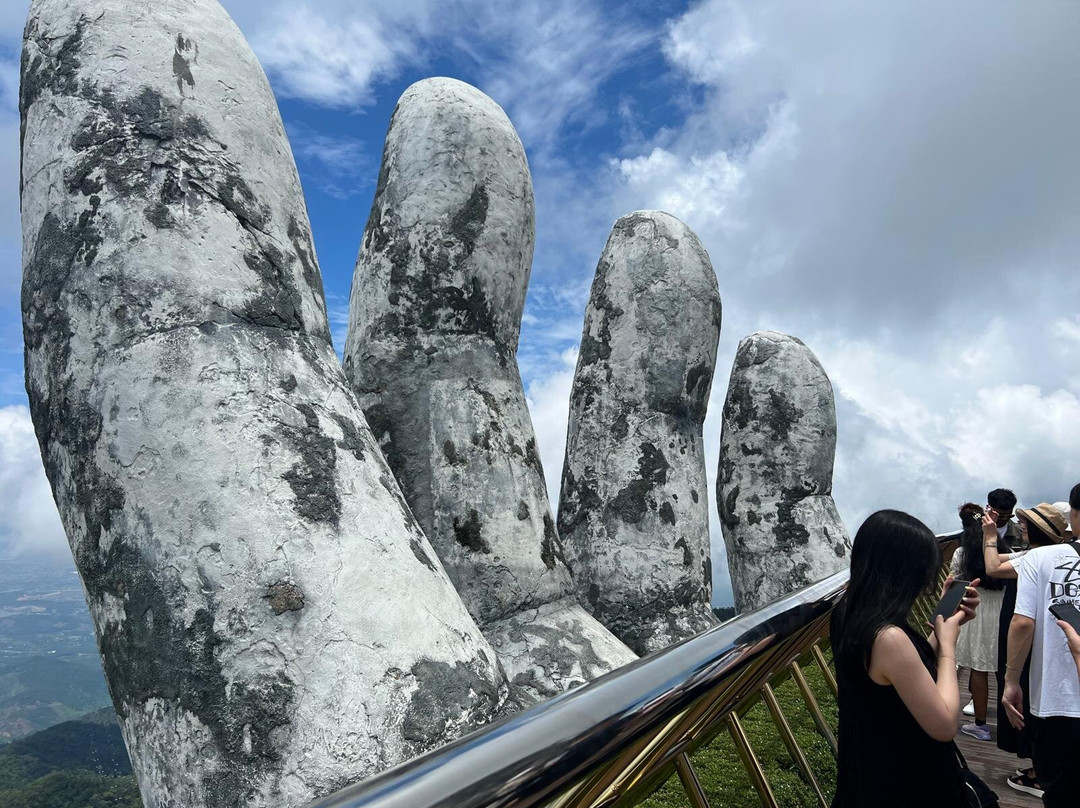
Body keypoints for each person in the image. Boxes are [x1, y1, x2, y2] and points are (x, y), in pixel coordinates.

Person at [831, 510, 979, 808]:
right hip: (910, 784)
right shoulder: (889, 637)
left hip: (870, 776)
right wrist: (948, 646)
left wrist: (943, 620)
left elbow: (905, 674)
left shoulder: (846, 611)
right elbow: (944, 724)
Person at [996, 495, 1079, 808]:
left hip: (1056, 701)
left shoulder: (1041, 558)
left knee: (1059, 791)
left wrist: (1011, 680)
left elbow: (1022, 624)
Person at [981, 502, 1063, 798]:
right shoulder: (1056, 556)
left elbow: (993, 567)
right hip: (1056, 641)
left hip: (1034, 641)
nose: (1021, 524)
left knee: (1034, 700)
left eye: (1027, 522)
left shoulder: (1035, 557)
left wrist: (989, 532)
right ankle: (1041, 769)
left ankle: (1043, 774)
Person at [951, 503, 1008, 742]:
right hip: (1003, 609)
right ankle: (1010, 728)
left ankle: (981, 725)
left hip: (976, 609)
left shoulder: (962, 554)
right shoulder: (1001, 548)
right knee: (1003, 669)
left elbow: (953, 587)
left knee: (978, 667)